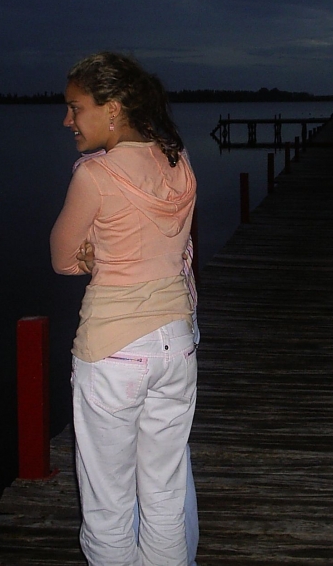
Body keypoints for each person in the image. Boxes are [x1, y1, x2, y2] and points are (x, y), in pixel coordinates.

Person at [51, 52, 198, 566]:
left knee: (108, 503)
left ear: (112, 108)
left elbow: (62, 259)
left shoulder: (94, 175)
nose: (67, 120)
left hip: (113, 351)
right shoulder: (178, 161)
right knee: (163, 493)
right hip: (176, 348)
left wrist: (94, 252)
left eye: (76, 107)